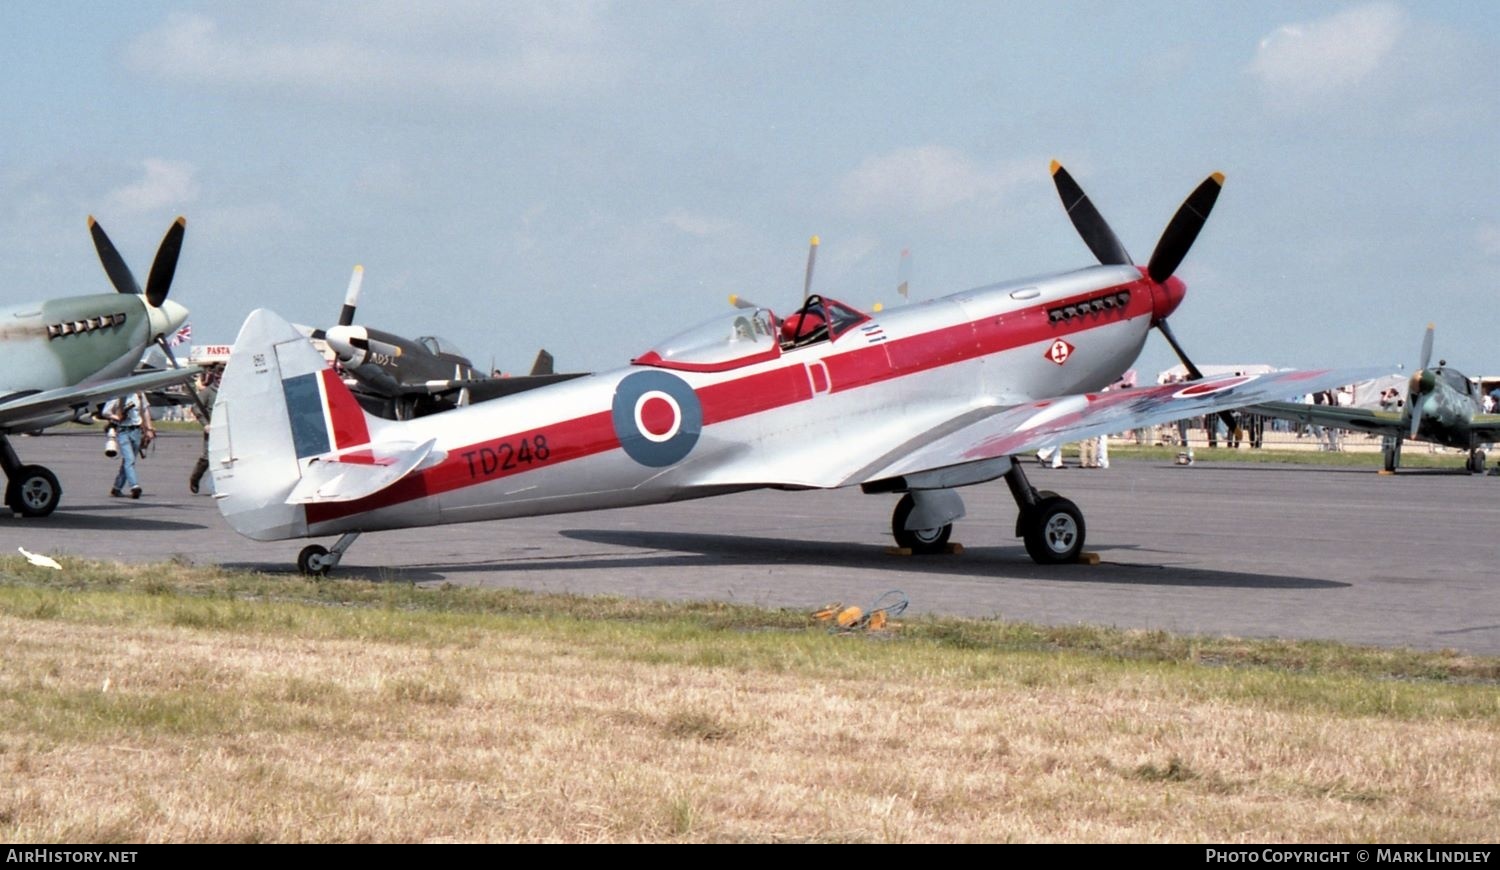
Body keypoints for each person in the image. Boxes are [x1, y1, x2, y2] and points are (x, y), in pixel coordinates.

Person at [103, 392, 154, 499]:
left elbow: (145, 410)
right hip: (123, 431)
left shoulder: (139, 394)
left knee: (128, 461)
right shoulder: (117, 395)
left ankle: (117, 488)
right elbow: (105, 412)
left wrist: (149, 428)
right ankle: (134, 486)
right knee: (129, 460)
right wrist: (117, 417)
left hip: (137, 430)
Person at [188, 366, 222, 494]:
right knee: (207, 458)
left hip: (226, 430)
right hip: (212, 430)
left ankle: (220, 485)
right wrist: (205, 424)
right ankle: (195, 479)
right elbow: (195, 408)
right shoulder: (208, 392)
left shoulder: (230, 390)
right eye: (218, 376)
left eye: (222, 376)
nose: (220, 378)